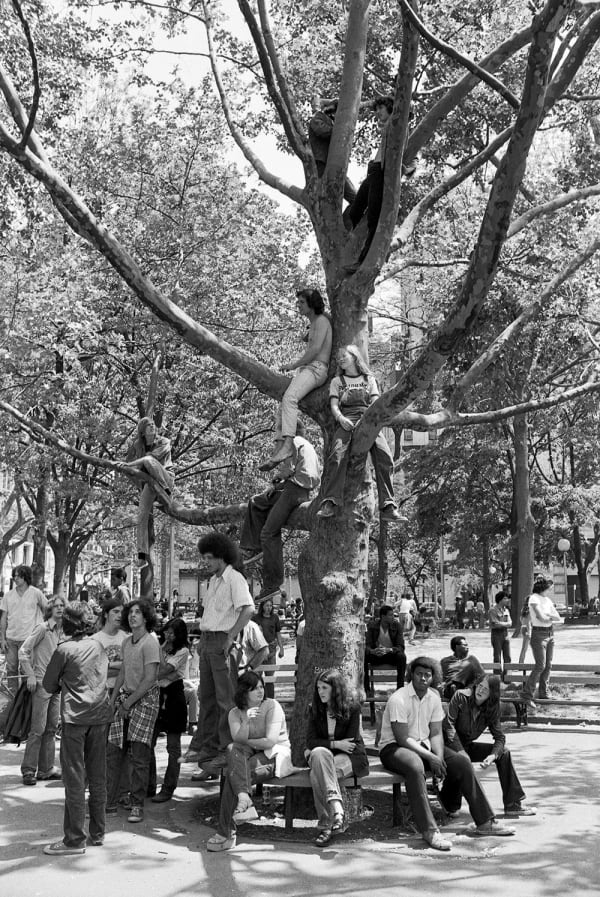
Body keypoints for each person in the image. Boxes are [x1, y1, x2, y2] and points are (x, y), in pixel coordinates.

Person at [379, 656, 514, 851]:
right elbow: (402, 739)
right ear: (411, 675)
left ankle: (485, 822)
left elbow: (435, 732)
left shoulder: (433, 698)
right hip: (394, 748)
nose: (423, 679)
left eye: (427, 675)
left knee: (461, 761)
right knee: (415, 766)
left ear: (433, 677)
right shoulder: (398, 698)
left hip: (423, 746)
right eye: (419, 674)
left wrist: (439, 756)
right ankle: (429, 831)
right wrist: (431, 757)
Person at [42, 602, 111, 856]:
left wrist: (63, 681)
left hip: (75, 719)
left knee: (74, 780)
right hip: (100, 716)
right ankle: (98, 832)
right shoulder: (98, 646)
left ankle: (74, 839)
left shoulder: (64, 650)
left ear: (67, 624)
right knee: (98, 776)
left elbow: (49, 685)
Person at [182, 533, 255, 775]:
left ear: (222, 556)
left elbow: (248, 609)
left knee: (226, 699)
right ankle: (207, 745)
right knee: (206, 696)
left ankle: (226, 747)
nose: (207, 563)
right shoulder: (214, 580)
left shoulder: (235, 579)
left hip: (223, 641)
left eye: (210, 559)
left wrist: (231, 636)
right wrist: (203, 641)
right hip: (208, 640)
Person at [317, 345, 404, 522]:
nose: (340, 359)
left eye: (344, 355)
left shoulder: (368, 379)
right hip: (346, 418)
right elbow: (334, 406)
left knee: (385, 457)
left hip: (368, 418)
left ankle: (388, 506)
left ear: (354, 356)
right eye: (338, 357)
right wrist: (341, 419)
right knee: (336, 455)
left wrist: (369, 421)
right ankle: (330, 502)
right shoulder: (337, 382)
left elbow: (375, 402)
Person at [206, 671, 291, 852]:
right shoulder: (235, 713)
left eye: (261, 687)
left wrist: (246, 742)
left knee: (233, 776)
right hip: (247, 755)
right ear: (244, 692)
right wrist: (246, 720)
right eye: (254, 689)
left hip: (274, 755)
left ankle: (226, 833)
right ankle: (244, 798)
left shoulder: (272, 706)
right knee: (231, 750)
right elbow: (237, 739)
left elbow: (270, 741)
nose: (260, 692)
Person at [240, 423, 321, 601]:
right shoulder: (306, 444)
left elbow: (289, 470)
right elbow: (299, 472)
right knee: (256, 502)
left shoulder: (294, 441)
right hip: (295, 487)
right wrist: (277, 487)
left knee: (269, 532)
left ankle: (272, 584)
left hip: (295, 491)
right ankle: (252, 547)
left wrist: (276, 477)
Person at [259, 289, 332, 470]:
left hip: (316, 370)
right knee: (282, 407)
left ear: (311, 304)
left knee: (289, 399)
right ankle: (279, 451)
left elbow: (315, 351)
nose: (297, 305)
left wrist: (292, 365)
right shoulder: (314, 322)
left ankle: (287, 447)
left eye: (301, 302)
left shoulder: (321, 321)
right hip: (308, 370)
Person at [444, 674, 536, 817]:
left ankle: (513, 805)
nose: (480, 691)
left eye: (485, 690)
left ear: (492, 694)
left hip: (467, 747)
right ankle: (451, 803)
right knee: (461, 762)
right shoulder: (460, 696)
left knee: (503, 752)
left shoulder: (493, 707)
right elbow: (449, 727)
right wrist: (461, 752)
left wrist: (493, 755)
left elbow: (499, 737)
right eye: (479, 686)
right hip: (450, 746)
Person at [345, 96, 415, 272]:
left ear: (391, 109)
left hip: (381, 173)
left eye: (380, 109)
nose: (377, 112)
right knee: (355, 209)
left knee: (374, 219)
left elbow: (405, 152)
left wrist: (405, 169)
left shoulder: (399, 123)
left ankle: (364, 260)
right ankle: (350, 239)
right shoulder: (387, 127)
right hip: (375, 170)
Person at [106, 599, 160, 823]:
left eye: (138, 613)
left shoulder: (150, 643)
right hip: (125, 698)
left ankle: (137, 804)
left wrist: (129, 703)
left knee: (139, 755)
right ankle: (109, 801)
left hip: (144, 701)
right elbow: (122, 672)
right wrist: (113, 699)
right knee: (114, 751)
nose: (132, 616)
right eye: (131, 612)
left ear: (146, 617)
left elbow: (150, 679)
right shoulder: (127, 642)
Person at [305, 669, 368, 846]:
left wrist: (330, 745)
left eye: (325, 687)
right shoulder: (315, 708)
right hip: (324, 756)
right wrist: (335, 744)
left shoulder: (352, 707)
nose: (320, 692)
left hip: (349, 757)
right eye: (318, 688)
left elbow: (351, 742)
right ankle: (337, 811)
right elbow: (311, 742)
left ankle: (326, 826)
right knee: (318, 753)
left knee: (315, 774)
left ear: (336, 688)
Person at [18, 595, 65, 785]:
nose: (60, 608)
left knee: (51, 728)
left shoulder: (63, 632)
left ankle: (46, 769)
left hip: (56, 686)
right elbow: (23, 651)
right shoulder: (43, 628)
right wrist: (29, 674)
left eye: (62, 605)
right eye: (56, 606)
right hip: (41, 684)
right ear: (50, 609)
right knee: (37, 729)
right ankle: (29, 770)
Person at [126, 417, 175, 569]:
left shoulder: (164, 441)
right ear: (142, 430)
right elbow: (129, 470)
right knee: (141, 516)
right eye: (148, 426)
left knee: (147, 460)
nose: (152, 427)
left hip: (166, 478)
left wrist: (130, 464)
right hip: (149, 484)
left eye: (153, 425)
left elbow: (150, 459)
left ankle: (166, 493)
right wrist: (139, 485)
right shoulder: (137, 445)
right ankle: (141, 556)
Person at [149, 618, 190, 802]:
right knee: (148, 742)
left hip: (174, 699)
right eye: (166, 631)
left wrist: (160, 649)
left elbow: (163, 670)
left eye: (172, 632)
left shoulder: (183, 651)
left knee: (173, 748)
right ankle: (149, 785)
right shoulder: (161, 646)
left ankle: (168, 788)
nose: (168, 635)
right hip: (157, 696)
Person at [0, 564, 47, 696]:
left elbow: (47, 608)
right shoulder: (8, 596)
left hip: (29, 639)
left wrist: (43, 628)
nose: (15, 578)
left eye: (18, 576)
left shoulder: (36, 593)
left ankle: (26, 699)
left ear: (25, 577)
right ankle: (13, 699)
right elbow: (3, 618)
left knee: (27, 670)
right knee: (11, 669)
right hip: (11, 639)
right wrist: (2, 639)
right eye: (14, 576)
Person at [520, 578, 562, 706]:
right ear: (544, 587)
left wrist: (548, 616)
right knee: (540, 665)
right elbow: (540, 617)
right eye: (550, 587)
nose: (551, 589)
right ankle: (527, 694)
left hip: (550, 633)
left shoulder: (548, 600)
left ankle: (544, 692)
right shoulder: (534, 598)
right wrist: (549, 616)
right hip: (539, 634)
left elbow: (558, 617)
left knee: (548, 665)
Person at [308, 100, 357, 203]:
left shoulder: (331, 122)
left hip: (333, 163)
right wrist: (339, 129)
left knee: (353, 196)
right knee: (323, 196)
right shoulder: (318, 118)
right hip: (321, 163)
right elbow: (322, 131)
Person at [364, 604, 406, 691]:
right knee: (364, 655)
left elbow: (400, 646)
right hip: (376, 655)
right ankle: (366, 689)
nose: (393, 617)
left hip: (391, 655)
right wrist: (372, 651)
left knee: (402, 656)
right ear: (383, 616)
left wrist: (389, 650)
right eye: (390, 615)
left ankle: (400, 689)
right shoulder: (372, 625)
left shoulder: (397, 626)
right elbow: (366, 644)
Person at [92, 596, 127, 694]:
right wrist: (122, 668)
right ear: (106, 614)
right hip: (100, 692)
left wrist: (108, 665)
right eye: (115, 612)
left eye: (122, 612)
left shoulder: (127, 638)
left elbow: (132, 666)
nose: (120, 615)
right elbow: (93, 672)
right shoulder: (94, 640)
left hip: (123, 691)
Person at [253, 597, 285, 698]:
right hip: (258, 651)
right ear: (262, 606)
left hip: (271, 650)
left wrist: (281, 648)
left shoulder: (275, 618)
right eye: (267, 605)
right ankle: (257, 699)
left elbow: (278, 633)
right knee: (256, 678)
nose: (269, 608)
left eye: (270, 606)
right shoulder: (255, 618)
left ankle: (270, 699)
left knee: (270, 678)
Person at [440, 636, 485, 701]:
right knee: (452, 686)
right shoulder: (445, 661)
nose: (468, 647)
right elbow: (438, 677)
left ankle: (456, 687)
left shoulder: (471, 659)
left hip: (466, 689)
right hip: (448, 690)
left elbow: (482, 676)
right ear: (457, 647)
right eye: (465, 645)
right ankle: (454, 687)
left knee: (468, 665)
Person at [489, 591, 512, 678]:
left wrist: (501, 623)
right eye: (505, 598)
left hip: (506, 634)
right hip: (496, 635)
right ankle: (497, 677)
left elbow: (510, 623)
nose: (507, 600)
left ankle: (507, 676)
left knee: (508, 656)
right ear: (500, 600)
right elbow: (495, 624)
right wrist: (504, 624)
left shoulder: (506, 610)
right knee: (497, 657)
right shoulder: (492, 610)